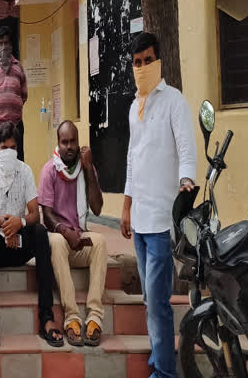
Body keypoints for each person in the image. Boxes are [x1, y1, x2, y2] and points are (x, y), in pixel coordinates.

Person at [121, 32, 197, 378]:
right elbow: (132, 161)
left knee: (159, 303)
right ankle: (159, 364)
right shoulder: (134, 108)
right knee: (150, 302)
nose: (142, 67)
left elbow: (186, 148)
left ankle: (165, 372)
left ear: (158, 61)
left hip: (163, 223)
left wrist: (186, 181)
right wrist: (125, 207)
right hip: (139, 220)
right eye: (137, 62)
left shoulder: (174, 101)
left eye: (147, 60)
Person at [0, 121, 63, 348]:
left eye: (13, 148)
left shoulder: (24, 171)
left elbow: (35, 213)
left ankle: (46, 317)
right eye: (4, 147)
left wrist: (21, 223)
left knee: (40, 232)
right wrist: (7, 223)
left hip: (21, 244)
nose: (9, 152)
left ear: (18, 149)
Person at [39, 120, 106, 347]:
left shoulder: (86, 167)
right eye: (64, 142)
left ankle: (95, 316)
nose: (69, 146)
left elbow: (97, 208)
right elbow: (46, 215)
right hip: (60, 238)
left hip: (80, 236)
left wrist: (89, 170)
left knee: (100, 242)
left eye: (73, 142)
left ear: (79, 143)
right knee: (56, 242)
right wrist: (66, 232)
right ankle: (72, 317)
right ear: (58, 143)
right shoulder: (50, 170)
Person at [0, 26, 28, 162]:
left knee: (18, 159)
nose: (4, 47)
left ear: (11, 45)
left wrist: (12, 108)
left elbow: (24, 95)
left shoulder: (19, 67)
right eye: (1, 43)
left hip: (16, 123)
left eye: (6, 43)